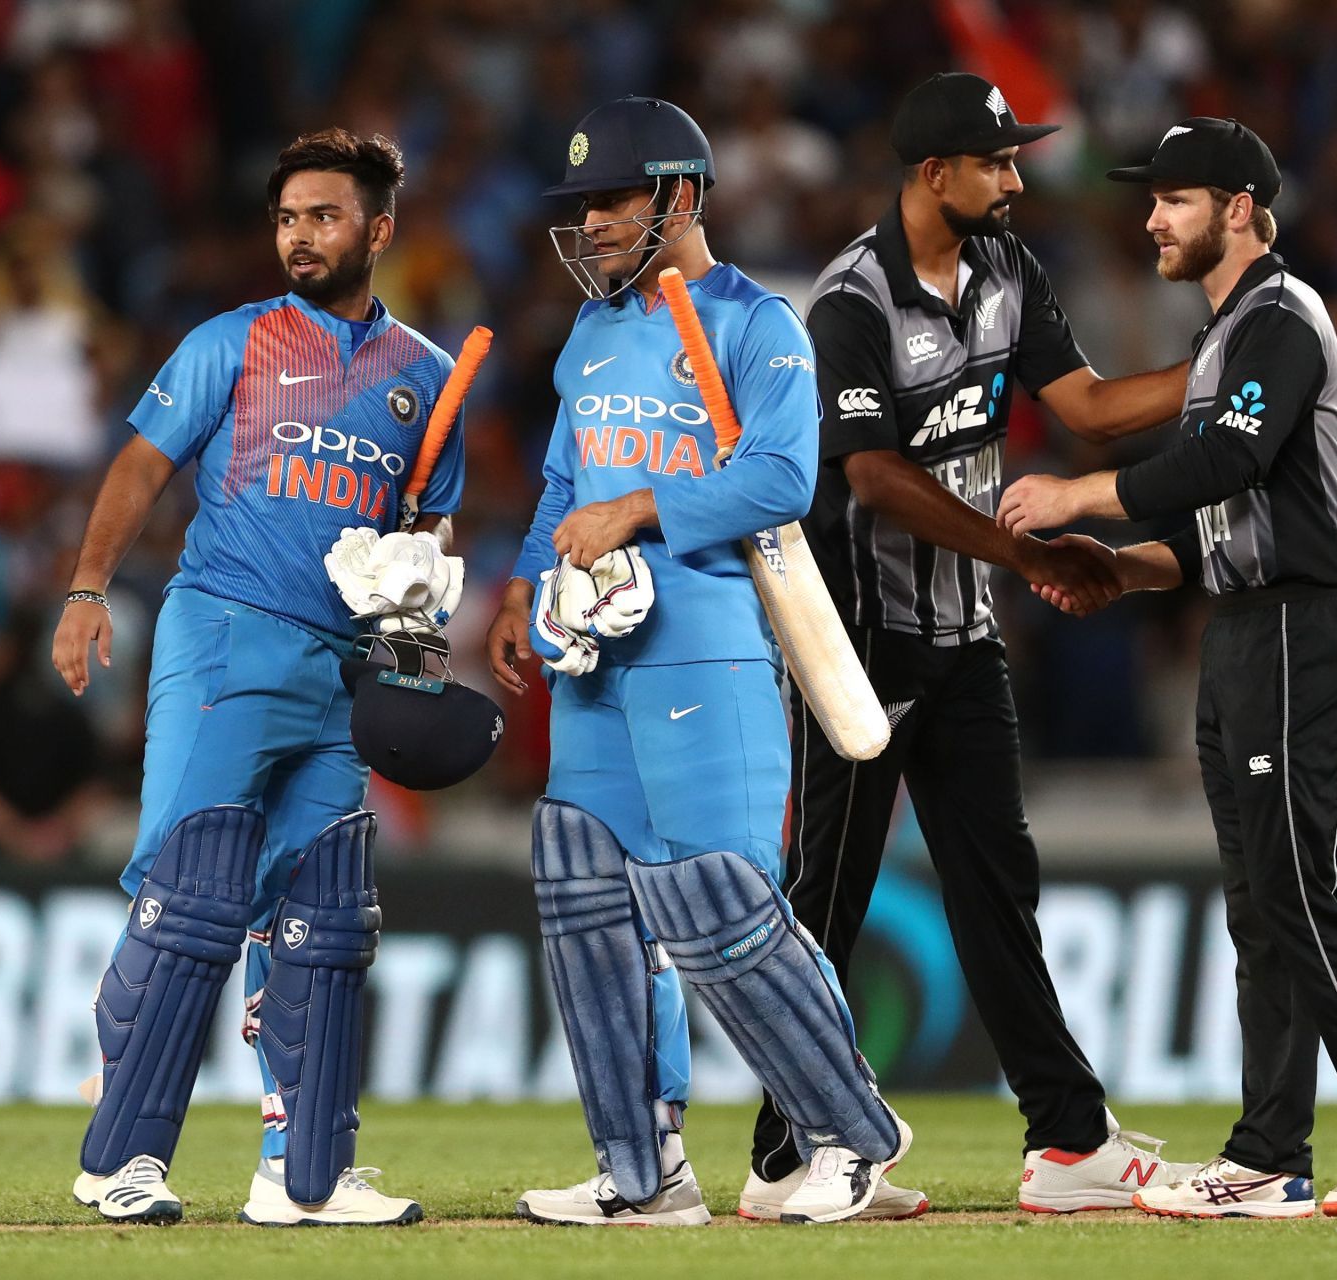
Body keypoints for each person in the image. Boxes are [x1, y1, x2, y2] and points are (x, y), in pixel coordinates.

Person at [744, 71, 1200, 1217]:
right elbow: (879, 480)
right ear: (932, 171)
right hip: (860, 642)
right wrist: (1029, 554)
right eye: (996, 162)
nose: (1015, 177)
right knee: (829, 899)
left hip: (964, 637)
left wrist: (1222, 378)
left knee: (998, 889)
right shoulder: (851, 299)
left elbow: (1087, 405)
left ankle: (1066, 1140)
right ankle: (781, 1154)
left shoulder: (1008, 268)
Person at [998, 117, 1337, 1219]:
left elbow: (1233, 459)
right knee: (1262, 905)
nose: (1153, 216)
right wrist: (1124, 568)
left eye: (1175, 197)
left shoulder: (1280, 318)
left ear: (1241, 208)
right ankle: (1269, 1153)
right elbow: (1221, 523)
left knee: (1300, 890)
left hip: (1307, 624)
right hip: (1249, 624)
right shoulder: (1221, 342)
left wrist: (1079, 492)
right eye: (1153, 198)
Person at [484, 95, 909, 1227]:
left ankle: (854, 1137)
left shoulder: (755, 322)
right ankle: (642, 1169)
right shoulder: (591, 332)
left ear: (681, 195)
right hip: (594, 657)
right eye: (581, 207)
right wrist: (527, 583)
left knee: (715, 904)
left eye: (612, 201)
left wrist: (635, 509)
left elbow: (782, 481)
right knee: (578, 881)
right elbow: (562, 486)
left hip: (704, 647)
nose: (591, 225)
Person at [52, 128, 467, 1227]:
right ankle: (120, 1158)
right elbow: (144, 461)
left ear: (378, 230)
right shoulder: (234, 342)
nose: (300, 236)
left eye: (324, 216)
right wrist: (88, 589)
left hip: (345, 667)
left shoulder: (429, 378)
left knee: (328, 912)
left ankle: (307, 1174)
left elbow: (425, 529)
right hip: (227, 633)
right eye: (288, 217)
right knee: (191, 894)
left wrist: (416, 640)